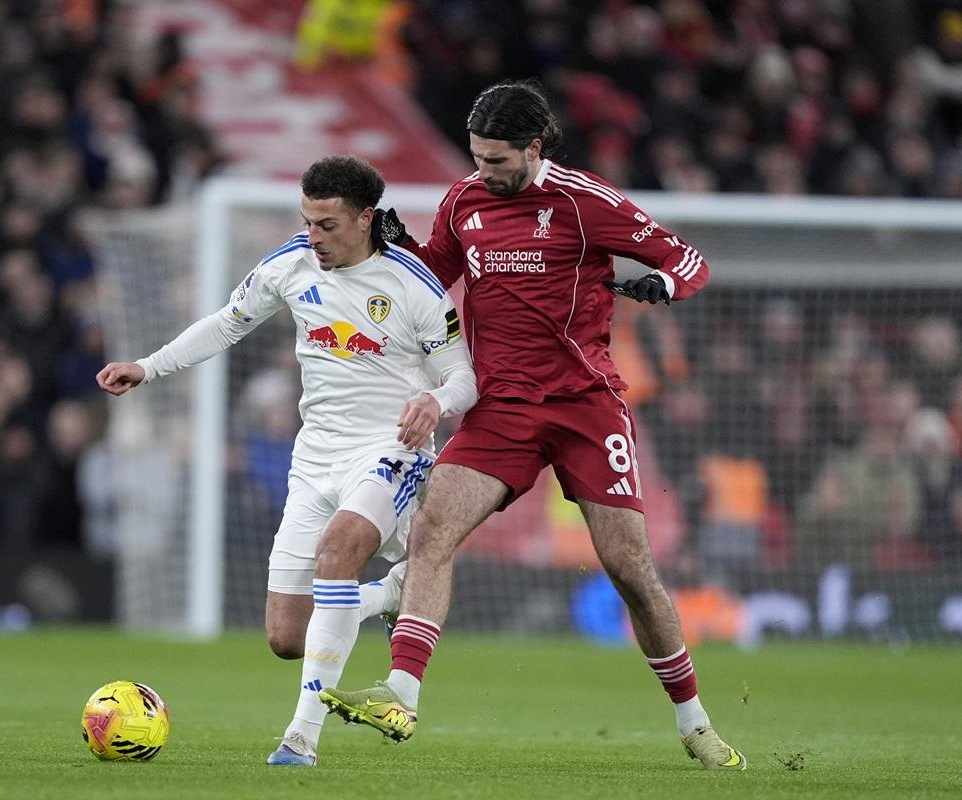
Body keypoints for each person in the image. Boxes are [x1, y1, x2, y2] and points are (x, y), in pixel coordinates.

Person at [320, 81, 747, 770]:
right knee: (432, 529)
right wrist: (395, 253)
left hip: (585, 406)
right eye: (476, 158)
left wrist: (662, 285)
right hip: (502, 410)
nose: (482, 172)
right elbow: (437, 273)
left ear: (534, 147)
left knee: (630, 569)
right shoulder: (464, 202)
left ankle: (696, 724)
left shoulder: (585, 203)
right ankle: (400, 693)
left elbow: (686, 259)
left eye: (495, 161)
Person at [96, 155, 477, 767]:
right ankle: (389, 594)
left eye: (326, 224)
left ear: (364, 219)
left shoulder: (413, 284)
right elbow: (227, 323)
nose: (314, 236)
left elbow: (465, 377)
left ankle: (300, 738)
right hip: (314, 458)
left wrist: (435, 400)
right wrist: (148, 366)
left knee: (338, 550)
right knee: (286, 638)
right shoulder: (289, 264)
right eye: (307, 221)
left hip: (390, 450)